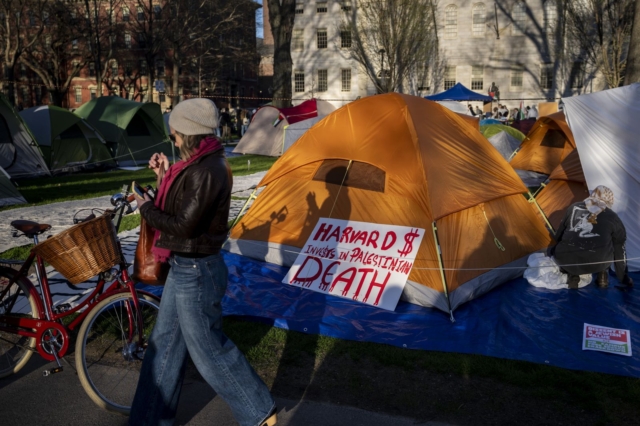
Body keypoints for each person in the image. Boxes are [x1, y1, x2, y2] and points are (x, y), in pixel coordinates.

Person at [130, 98, 277, 426]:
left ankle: (259, 413)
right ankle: (149, 420)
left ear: (188, 134)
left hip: (196, 271)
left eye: (175, 136)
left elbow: (183, 225)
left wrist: (144, 208)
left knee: (208, 351)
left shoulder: (207, 170)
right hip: (185, 266)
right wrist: (162, 176)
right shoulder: (198, 165)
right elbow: (180, 209)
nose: (174, 142)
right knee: (163, 348)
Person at [549, 185, 633, 289]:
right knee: (612, 243)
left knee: (570, 244)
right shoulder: (613, 217)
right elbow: (620, 249)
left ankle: (572, 275)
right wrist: (624, 278)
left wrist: (555, 250)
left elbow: (559, 235)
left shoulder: (573, 207)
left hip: (565, 259)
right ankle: (602, 276)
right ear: (610, 199)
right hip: (596, 262)